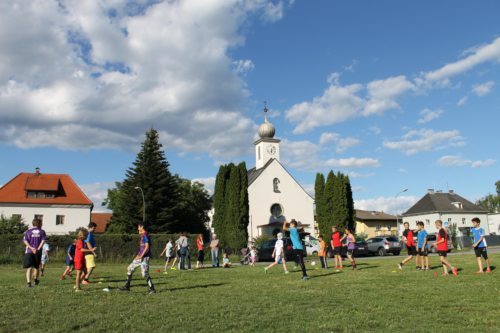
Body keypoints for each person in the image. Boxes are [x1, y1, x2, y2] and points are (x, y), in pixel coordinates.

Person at [119, 223, 156, 294]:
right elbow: (141, 249)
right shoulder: (142, 235)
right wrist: (136, 257)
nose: (138, 228)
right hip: (140, 257)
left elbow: (147, 247)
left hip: (145, 257)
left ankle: (152, 289)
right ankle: (127, 287)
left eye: (138, 227)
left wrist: (141, 256)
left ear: (142, 227)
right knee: (130, 268)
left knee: (144, 274)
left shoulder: (145, 235)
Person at [22, 218, 46, 287]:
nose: (42, 224)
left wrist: (31, 248)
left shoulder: (28, 231)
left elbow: (25, 241)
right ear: (38, 224)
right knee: (36, 267)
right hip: (37, 252)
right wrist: (38, 248)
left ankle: (29, 283)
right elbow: (43, 241)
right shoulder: (42, 231)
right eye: (41, 223)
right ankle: (35, 279)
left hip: (29, 251)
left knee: (29, 268)